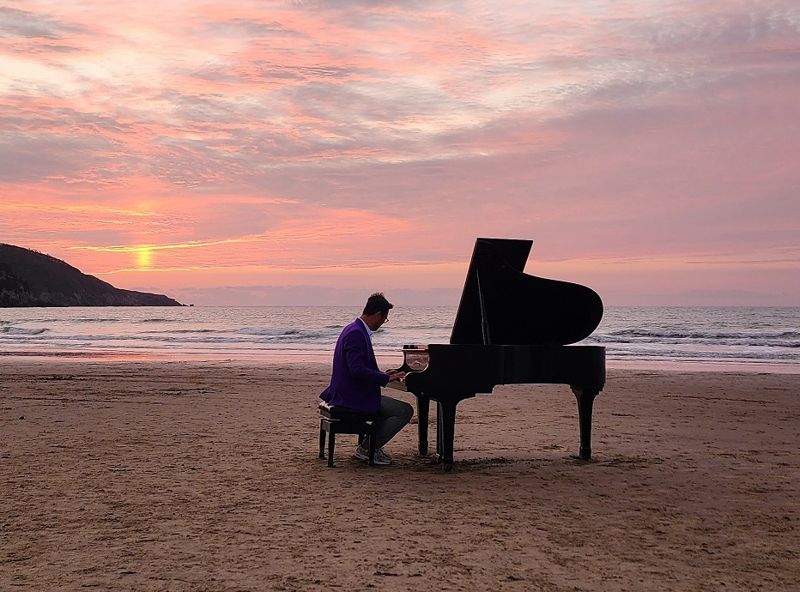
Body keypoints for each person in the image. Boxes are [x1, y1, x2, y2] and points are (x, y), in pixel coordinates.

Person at [320, 292, 413, 465]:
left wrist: (386, 375)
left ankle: (371, 445)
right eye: (384, 319)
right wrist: (385, 378)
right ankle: (368, 448)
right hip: (351, 396)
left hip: (349, 391)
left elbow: (359, 367)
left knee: (392, 409)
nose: (382, 323)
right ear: (378, 314)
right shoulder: (356, 334)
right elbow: (357, 370)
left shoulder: (353, 328)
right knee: (404, 411)